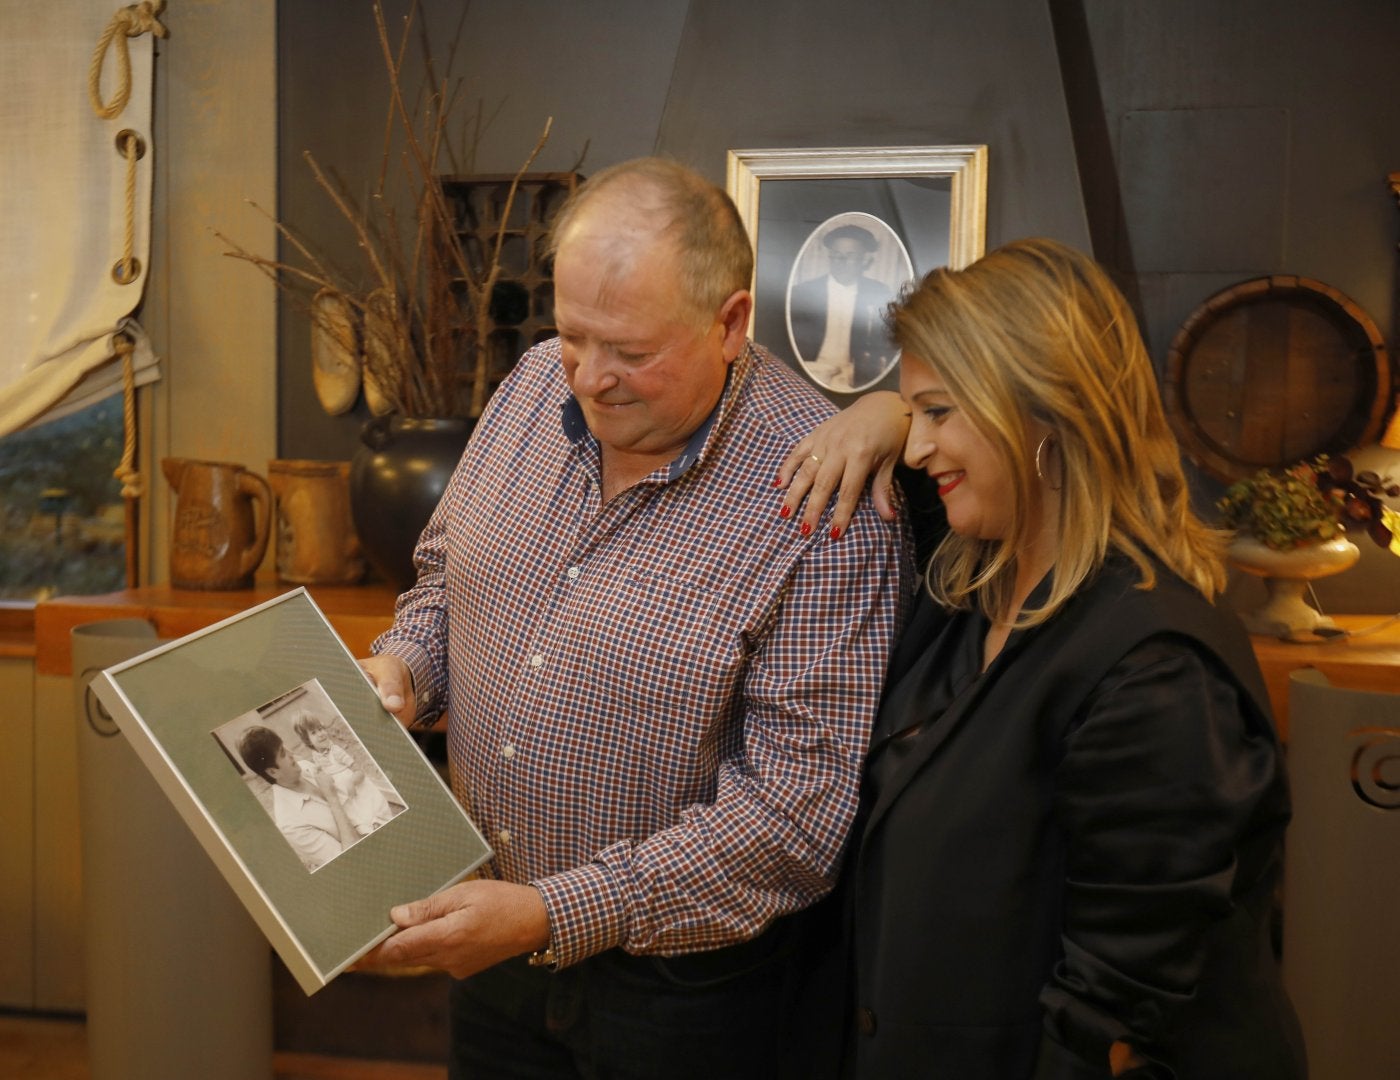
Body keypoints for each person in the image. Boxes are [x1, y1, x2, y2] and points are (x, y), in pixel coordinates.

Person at [356, 157, 909, 1079]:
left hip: (687, 998)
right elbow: (447, 580)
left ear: (730, 323)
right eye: (574, 336)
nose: (591, 379)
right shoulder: (532, 386)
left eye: (632, 351)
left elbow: (793, 816)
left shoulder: (824, 502)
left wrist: (553, 911)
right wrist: (405, 669)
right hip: (493, 943)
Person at [778, 238, 1307, 1078]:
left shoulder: (1155, 671)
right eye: (916, 416)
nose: (918, 449)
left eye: (941, 413)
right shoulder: (973, 591)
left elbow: (1115, 1023)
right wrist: (884, 409)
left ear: (1045, 413)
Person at [788, 223, 897, 391]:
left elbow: (886, 343)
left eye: (851, 255)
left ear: (864, 261)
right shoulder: (803, 292)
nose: (842, 261)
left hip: (853, 375)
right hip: (812, 371)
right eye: (836, 255)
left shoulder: (879, 292)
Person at [237, 724, 359, 872]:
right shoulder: (290, 825)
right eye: (283, 753)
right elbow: (350, 863)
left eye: (284, 746)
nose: (291, 753)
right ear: (273, 772)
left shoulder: (305, 767)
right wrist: (331, 797)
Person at [291, 711, 401, 837]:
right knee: (359, 822)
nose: (320, 734)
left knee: (373, 815)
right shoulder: (316, 757)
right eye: (314, 733)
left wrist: (352, 782)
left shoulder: (336, 751)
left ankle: (379, 823)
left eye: (320, 729)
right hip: (345, 800)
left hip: (359, 792)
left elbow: (359, 771)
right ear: (308, 741)